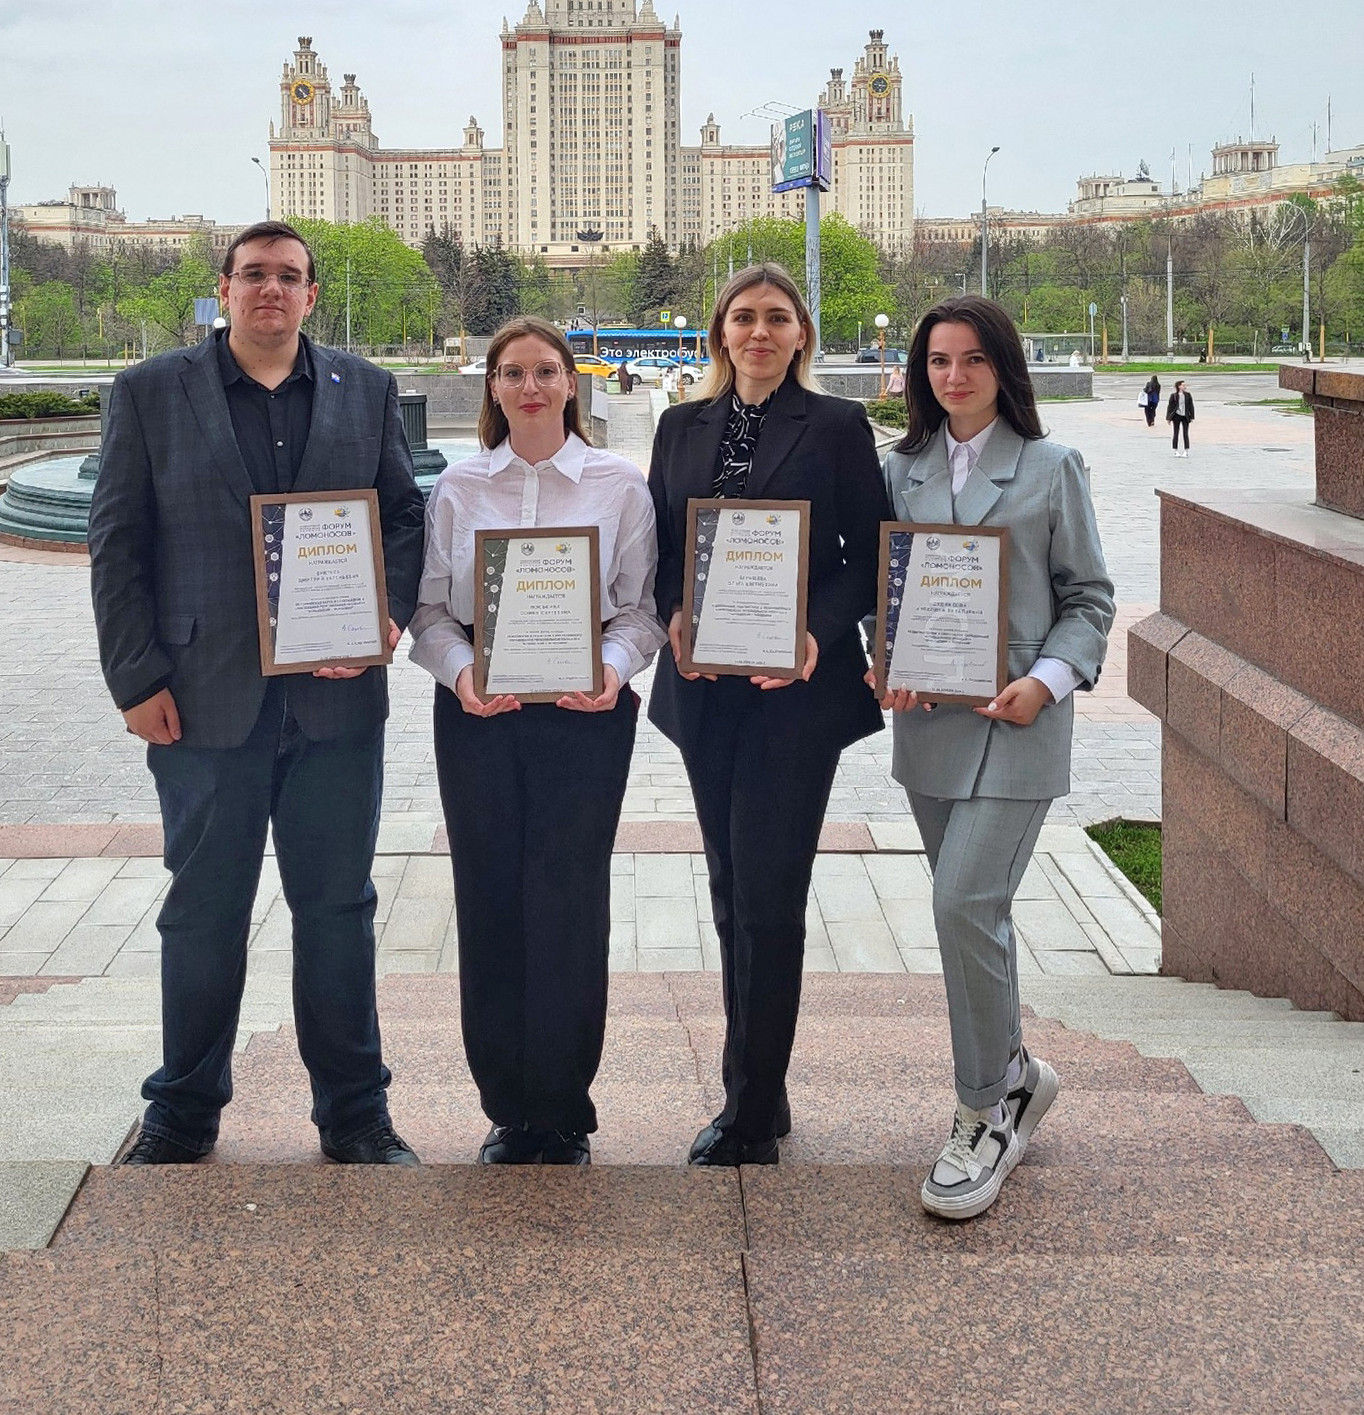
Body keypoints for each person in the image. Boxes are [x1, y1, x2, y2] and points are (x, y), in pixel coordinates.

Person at [89, 221, 427, 1167]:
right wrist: (136, 676)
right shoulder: (150, 392)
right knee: (202, 910)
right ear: (224, 289)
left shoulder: (365, 389)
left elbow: (404, 515)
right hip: (199, 701)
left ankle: (355, 1114)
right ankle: (183, 1111)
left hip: (336, 704)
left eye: (288, 276)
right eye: (253, 275)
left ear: (311, 293)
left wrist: (386, 616)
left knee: (337, 910)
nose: (270, 289)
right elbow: (117, 543)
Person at [875, 295, 1113, 1219]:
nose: (953, 376)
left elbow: (1088, 596)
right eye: (937, 360)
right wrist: (883, 658)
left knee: (958, 901)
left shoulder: (1052, 468)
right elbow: (883, 591)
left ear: (1000, 366)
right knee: (977, 922)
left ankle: (981, 1114)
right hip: (930, 730)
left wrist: (1047, 680)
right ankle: (1017, 1073)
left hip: (1018, 726)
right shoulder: (902, 470)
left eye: (971, 358)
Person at [648, 264, 890, 1167]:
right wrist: (675, 606)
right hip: (704, 688)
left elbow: (867, 557)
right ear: (720, 332)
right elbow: (667, 545)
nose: (758, 331)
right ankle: (761, 1085)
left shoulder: (834, 426)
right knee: (728, 888)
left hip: (796, 696)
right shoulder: (680, 426)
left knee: (769, 896)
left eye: (776, 318)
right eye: (743, 317)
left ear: (800, 336)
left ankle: (748, 1115)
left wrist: (814, 634)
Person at [409, 318, 664, 1165]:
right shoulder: (457, 486)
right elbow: (431, 613)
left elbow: (640, 609)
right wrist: (457, 673)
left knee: (566, 899)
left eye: (545, 371)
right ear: (492, 385)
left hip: (584, 712)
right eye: (512, 372)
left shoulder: (618, 484)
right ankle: (506, 1107)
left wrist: (614, 666)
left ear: (570, 383)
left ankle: (559, 1107)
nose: (530, 386)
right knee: (487, 898)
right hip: (480, 710)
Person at [1166, 379, 1194, 453]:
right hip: (1176, 416)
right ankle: (1175, 450)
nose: (1185, 386)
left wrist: (1192, 416)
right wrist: (1168, 418)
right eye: (1183, 385)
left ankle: (1186, 450)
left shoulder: (1188, 395)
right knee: (1176, 433)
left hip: (1185, 416)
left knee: (1185, 433)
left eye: (1185, 385)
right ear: (1179, 386)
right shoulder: (1174, 396)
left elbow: (1191, 406)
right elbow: (1170, 407)